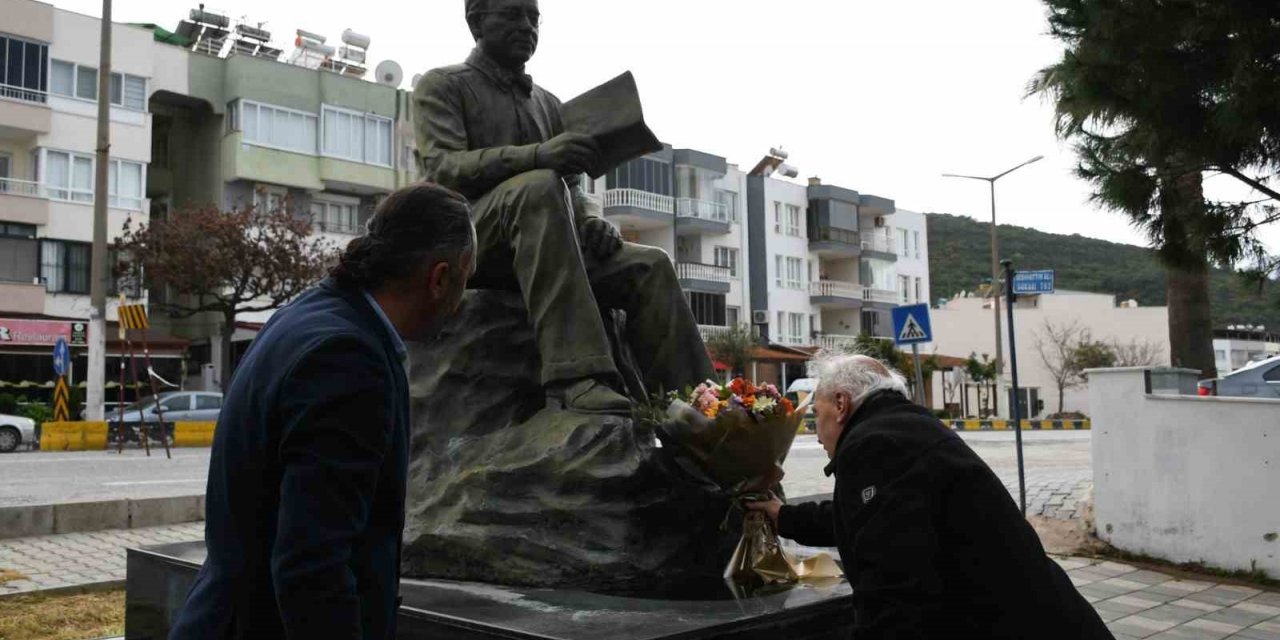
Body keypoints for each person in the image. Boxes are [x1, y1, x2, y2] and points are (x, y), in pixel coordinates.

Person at [169, 183, 477, 640]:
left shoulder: (306, 317)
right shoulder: (350, 358)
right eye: (465, 281)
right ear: (439, 278)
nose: (462, 300)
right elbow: (312, 565)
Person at [413, 0, 715, 415]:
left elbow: (572, 184)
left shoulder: (549, 104)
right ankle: (576, 377)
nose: (527, 26)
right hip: (473, 243)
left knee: (650, 265)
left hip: (547, 241)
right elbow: (444, 168)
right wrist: (539, 155)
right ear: (476, 21)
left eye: (534, 17)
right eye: (514, 14)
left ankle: (704, 407)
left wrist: (591, 218)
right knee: (536, 187)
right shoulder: (443, 84)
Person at [748, 354, 1114, 639]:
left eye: (817, 414)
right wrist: (784, 516)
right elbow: (868, 514)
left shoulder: (874, 445)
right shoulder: (907, 428)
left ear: (841, 404)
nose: (816, 433)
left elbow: (895, 589)